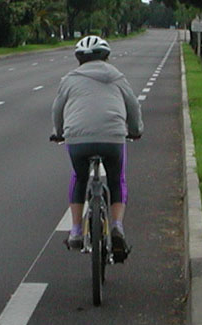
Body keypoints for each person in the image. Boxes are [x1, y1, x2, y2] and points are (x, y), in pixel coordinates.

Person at [51, 35, 143, 261]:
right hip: (112, 138)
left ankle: (74, 231)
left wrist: (59, 132)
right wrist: (135, 130)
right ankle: (118, 227)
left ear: (79, 59)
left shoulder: (69, 80)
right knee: (116, 179)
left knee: (80, 177)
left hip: (77, 140)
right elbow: (133, 106)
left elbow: (57, 109)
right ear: (106, 57)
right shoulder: (117, 77)